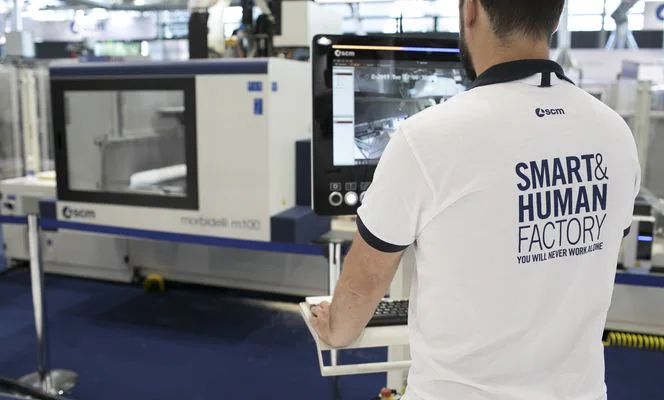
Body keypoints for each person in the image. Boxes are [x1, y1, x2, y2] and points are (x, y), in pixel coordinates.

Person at [310, 0, 641, 399]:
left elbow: (366, 280)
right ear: (555, 20)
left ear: (470, 10)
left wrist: (337, 328)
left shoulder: (426, 138)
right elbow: (591, 253)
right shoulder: (615, 133)